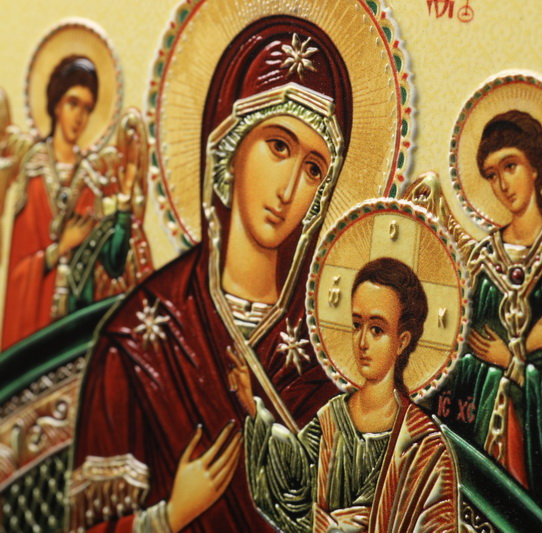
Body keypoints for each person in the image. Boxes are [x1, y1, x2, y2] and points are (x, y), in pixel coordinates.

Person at [69, 18, 352, 532]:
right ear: (231, 143)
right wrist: (169, 517)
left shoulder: (331, 354)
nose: (289, 189)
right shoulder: (137, 344)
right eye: (279, 146)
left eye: (314, 168)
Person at [434, 110, 542, 530]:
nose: (502, 184)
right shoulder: (485, 260)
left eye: (510, 166)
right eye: (491, 174)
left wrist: (511, 361)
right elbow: (465, 358)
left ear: (534, 165)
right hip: (481, 446)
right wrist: (523, 350)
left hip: (532, 458)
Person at [236, 257, 458, 532]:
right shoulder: (331, 420)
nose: (362, 342)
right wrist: (254, 411)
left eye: (377, 329)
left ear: (402, 341)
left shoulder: (424, 446)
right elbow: (290, 488)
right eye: (356, 325)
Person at [2, 55, 137, 349]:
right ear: (56, 105)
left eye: (87, 109)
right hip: (36, 330)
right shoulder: (34, 175)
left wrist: (125, 204)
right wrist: (60, 248)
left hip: (78, 330)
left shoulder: (90, 182)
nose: (79, 117)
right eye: (73, 104)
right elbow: (17, 272)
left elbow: (113, 263)